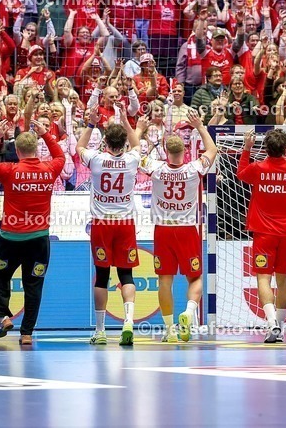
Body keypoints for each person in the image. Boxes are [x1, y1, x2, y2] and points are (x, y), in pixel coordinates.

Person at [0, 118, 66, 346]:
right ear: (36, 149)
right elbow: (61, 157)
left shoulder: (10, 170)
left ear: (16, 151)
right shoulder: (49, 169)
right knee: (33, 285)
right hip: (39, 239)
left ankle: (3, 317)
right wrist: (46, 134)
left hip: (10, 238)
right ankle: (26, 334)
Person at [140, 111, 217, 343]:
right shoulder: (194, 169)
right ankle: (189, 312)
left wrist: (141, 132)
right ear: (184, 150)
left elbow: (137, 153)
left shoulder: (156, 168)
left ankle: (169, 330)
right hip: (187, 229)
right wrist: (200, 126)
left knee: (165, 281)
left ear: (166, 151)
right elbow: (212, 150)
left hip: (163, 229)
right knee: (195, 278)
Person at [77, 110, 142, 347]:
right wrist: (127, 122)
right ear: (124, 143)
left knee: (102, 276)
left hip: (101, 224)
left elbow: (79, 147)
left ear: (105, 142)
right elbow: (137, 144)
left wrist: (91, 124)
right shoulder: (132, 159)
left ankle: (100, 330)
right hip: (125, 224)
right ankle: (128, 322)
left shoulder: (96, 159)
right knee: (126, 275)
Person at [237, 128, 286, 344]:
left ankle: (272, 322)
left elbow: (241, 173)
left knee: (263, 278)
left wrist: (247, 148)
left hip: (264, 233)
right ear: (285, 147)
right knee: (283, 280)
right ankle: (279, 328)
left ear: (265, 148)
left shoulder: (258, 168)